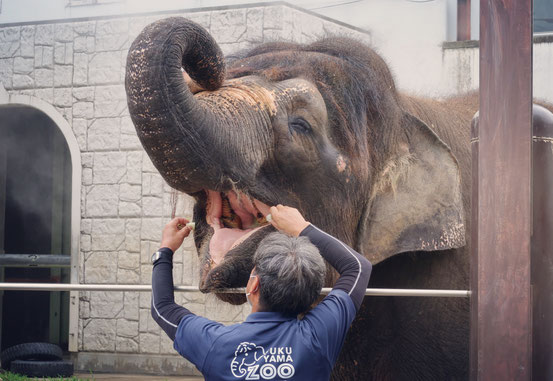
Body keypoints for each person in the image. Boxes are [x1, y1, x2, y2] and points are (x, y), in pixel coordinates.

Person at [151, 205, 372, 381]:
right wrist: (302, 228)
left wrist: (165, 250)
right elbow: (358, 267)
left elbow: (162, 308)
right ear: (314, 294)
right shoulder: (319, 337)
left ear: (253, 286)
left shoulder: (215, 344)